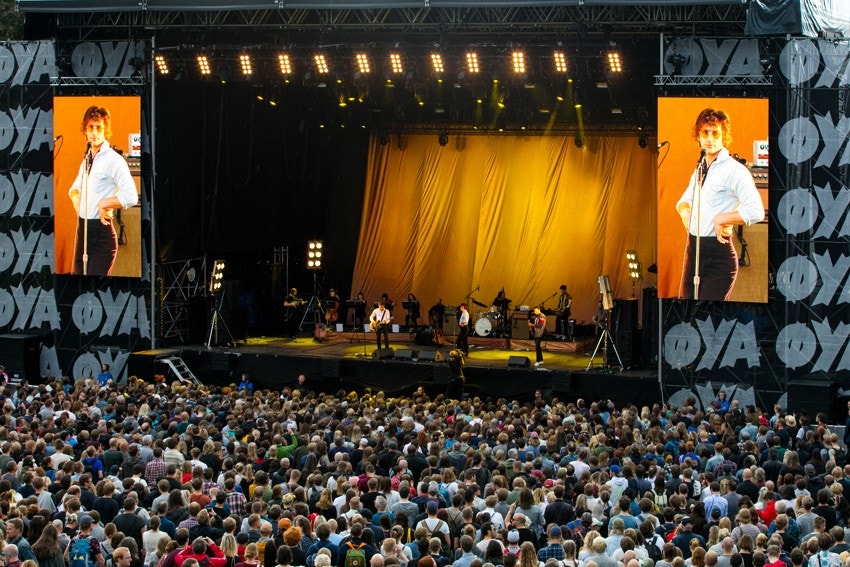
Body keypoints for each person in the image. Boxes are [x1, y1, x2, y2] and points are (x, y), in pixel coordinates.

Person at [676, 107, 765, 301]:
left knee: (708, 316)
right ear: (698, 137)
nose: (710, 138)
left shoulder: (736, 171)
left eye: (715, 133)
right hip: (694, 249)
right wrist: (686, 214)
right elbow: (684, 200)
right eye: (705, 133)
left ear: (724, 136)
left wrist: (723, 218)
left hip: (718, 256)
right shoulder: (700, 168)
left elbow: (756, 210)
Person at [67, 105, 138, 276]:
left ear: (106, 130)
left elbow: (131, 196)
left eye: (99, 128)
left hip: (101, 235)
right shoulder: (86, 159)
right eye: (91, 127)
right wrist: (78, 203)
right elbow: (74, 188)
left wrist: (105, 202)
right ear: (85, 130)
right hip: (83, 231)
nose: (94, 132)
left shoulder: (114, 160)